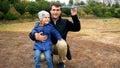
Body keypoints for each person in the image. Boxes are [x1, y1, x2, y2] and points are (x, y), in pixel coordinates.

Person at [29, 2, 81, 68]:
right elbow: (32, 33)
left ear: (60, 11)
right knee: (39, 58)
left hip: (59, 47)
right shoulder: (44, 22)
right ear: (50, 11)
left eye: (57, 10)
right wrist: (35, 35)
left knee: (62, 44)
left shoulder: (65, 22)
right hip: (47, 46)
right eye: (53, 10)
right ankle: (50, 56)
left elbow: (77, 28)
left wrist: (74, 15)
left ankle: (61, 62)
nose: (55, 12)